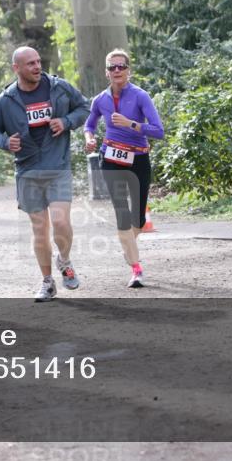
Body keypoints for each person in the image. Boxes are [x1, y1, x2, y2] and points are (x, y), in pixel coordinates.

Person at [0, 47, 90, 302]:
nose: (36, 66)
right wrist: (4, 142)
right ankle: (47, 282)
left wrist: (65, 122)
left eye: (38, 61)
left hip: (57, 165)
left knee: (61, 222)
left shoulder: (59, 87)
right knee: (40, 228)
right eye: (30, 63)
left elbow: (84, 108)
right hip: (28, 169)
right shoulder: (6, 100)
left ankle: (64, 261)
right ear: (16, 68)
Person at [84, 49, 164, 288]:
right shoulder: (100, 100)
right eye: (112, 67)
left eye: (121, 66)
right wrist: (89, 138)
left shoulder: (141, 96)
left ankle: (127, 244)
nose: (117, 70)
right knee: (121, 211)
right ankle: (136, 268)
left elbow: (158, 131)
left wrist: (132, 124)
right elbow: (89, 125)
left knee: (138, 218)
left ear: (129, 69)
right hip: (110, 158)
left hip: (138, 159)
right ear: (106, 72)